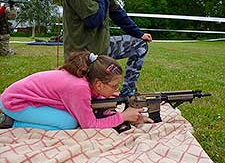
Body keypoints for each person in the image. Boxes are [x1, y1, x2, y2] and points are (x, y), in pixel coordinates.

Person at [0, 51, 152, 130]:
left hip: (24, 99)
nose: (116, 90)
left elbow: (92, 102)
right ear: (99, 84)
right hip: (15, 103)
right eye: (114, 86)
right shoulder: (79, 88)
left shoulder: (87, 80)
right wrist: (123, 117)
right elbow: (89, 124)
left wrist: (123, 113)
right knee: (69, 122)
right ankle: (11, 123)